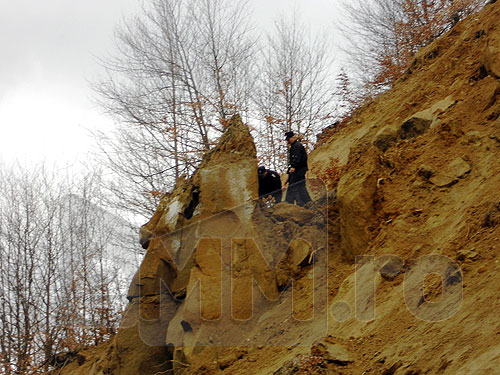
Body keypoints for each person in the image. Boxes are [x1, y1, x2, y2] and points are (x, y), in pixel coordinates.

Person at [284, 131, 311, 206]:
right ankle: (303, 203)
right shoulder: (294, 146)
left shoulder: (297, 146)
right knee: (298, 186)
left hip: (299, 169)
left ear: (293, 138)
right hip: (298, 169)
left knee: (297, 186)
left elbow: (297, 158)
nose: (288, 141)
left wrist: (293, 166)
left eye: (288, 139)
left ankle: (291, 203)